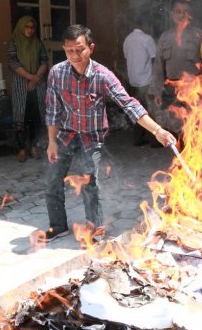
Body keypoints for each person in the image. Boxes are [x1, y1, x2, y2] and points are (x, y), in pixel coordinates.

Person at [44, 25, 176, 241]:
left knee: (89, 181)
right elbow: (52, 111)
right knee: (52, 181)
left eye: (80, 49)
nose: (75, 56)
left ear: (91, 48)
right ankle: (57, 226)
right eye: (69, 51)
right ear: (64, 49)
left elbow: (129, 105)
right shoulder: (57, 73)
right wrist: (51, 141)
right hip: (65, 134)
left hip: (90, 137)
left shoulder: (103, 76)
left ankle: (95, 228)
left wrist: (158, 130)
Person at [149, 0, 202, 136]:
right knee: (176, 128)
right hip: (171, 91)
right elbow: (158, 66)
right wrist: (157, 91)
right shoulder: (165, 37)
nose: (182, 15)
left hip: (194, 91)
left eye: (186, 12)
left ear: (190, 15)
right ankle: (180, 155)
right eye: (178, 12)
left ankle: (194, 156)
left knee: (196, 128)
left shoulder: (200, 36)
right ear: (172, 14)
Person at [8, 15, 48, 162]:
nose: (30, 30)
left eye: (32, 27)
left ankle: (34, 147)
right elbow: (13, 63)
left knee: (36, 117)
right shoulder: (14, 43)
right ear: (21, 27)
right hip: (21, 84)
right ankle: (21, 149)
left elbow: (44, 61)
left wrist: (36, 77)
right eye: (27, 27)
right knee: (21, 117)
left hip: (37, 86)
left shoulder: (38, 43)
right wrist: (31, 78)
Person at [123, 15, 157, 146]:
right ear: (145, 24)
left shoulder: (127, 39)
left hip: (133, 80)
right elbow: (155, 59)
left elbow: (127, 57)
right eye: (149, 25)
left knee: (137, 110)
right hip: (146, 80)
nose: (150, 28)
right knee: (151, 110)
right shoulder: (147, 39)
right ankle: (154, 140)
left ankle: (138, 139)